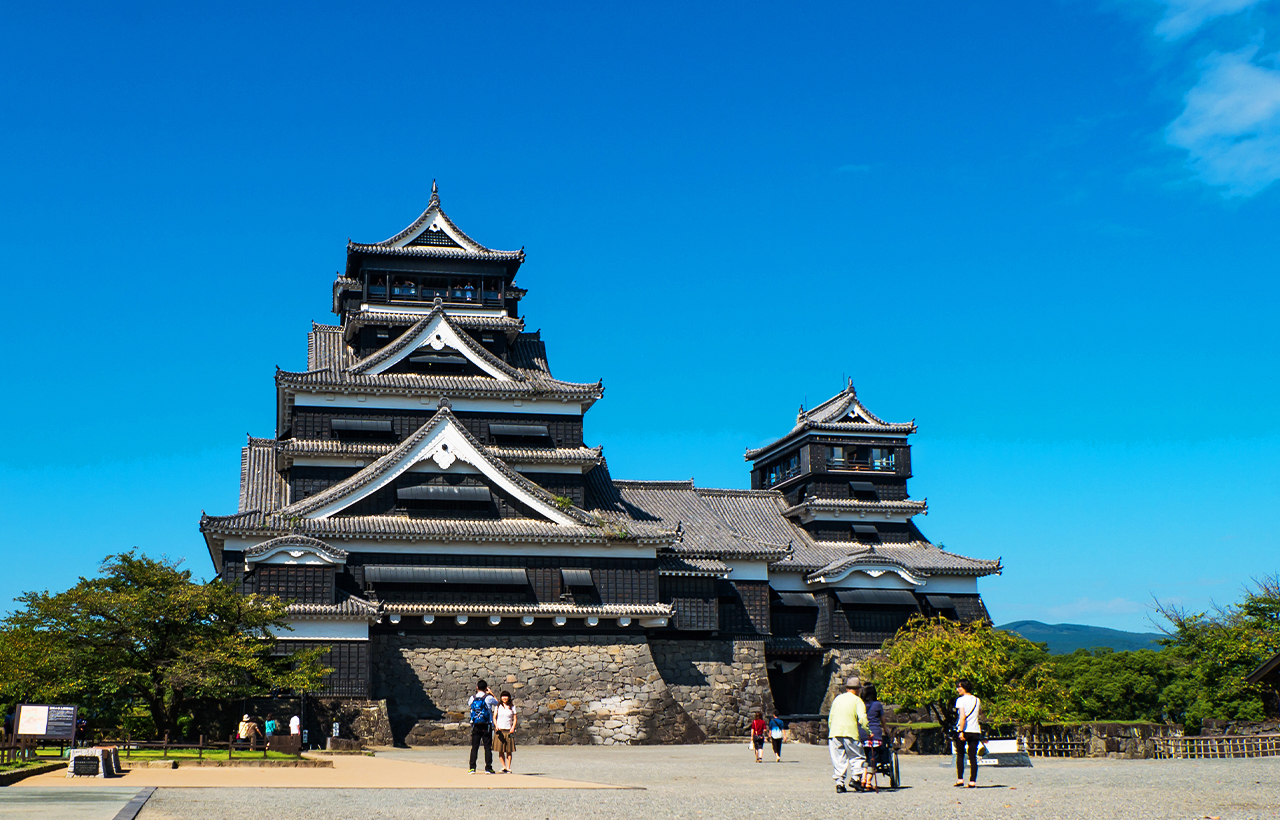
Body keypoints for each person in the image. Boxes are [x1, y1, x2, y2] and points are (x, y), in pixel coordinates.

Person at [828, 677, 870, 794]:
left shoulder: (837, 699)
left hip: (835, 733)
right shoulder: (857, 701)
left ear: (847, 688)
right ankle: (855, 778)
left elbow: (830, 718)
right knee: (857, 756)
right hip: (850, 732)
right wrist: (868, 732)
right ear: (858, 690)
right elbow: (862, 718)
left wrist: (832, 729)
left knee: (838, 758)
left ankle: (839, 783)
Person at [954, 679, 982, 788]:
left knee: (960, 755)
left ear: (965, 687)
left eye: (959, 687)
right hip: (975, 730)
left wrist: (961, 731)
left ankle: (960, 779)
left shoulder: (960, 700)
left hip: (964, 730)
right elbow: (978, 714)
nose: (958, 689)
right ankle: (972, 781)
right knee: (972, 756)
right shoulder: (977, 700)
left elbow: (962, 717)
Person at [467, 679, 499, 774]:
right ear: (486, 688)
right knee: (487, 747)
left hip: (476, 725)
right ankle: (488, 768)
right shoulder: (488, 698)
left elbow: (470, 705)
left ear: (477, 687)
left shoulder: (472, 698)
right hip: (486, 725)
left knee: (474, 747)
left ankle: (472, 768)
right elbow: (498, 703)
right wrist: (491, 693)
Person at [860, 684, 885, 792]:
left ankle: (863, 779)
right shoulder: (877, 705)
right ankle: (868, 782)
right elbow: (883, 720)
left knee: (866, 757)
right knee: (873, 758)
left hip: (862, 734)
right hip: (874, 734)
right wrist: (886, 730)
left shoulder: (860, 705)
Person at [492, 691, 518, 773]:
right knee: (500, 749)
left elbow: (515, 719)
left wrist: (513, 727)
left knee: (509, 750)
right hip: (500, 730)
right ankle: (503, 767)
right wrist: (496, 725)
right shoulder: (498, 706)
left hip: (509, 730)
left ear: (509, 697)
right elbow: (494, 717)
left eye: (506, 696)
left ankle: (509, 767)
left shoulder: (512, 707)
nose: (504, 698)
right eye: (503, 696)